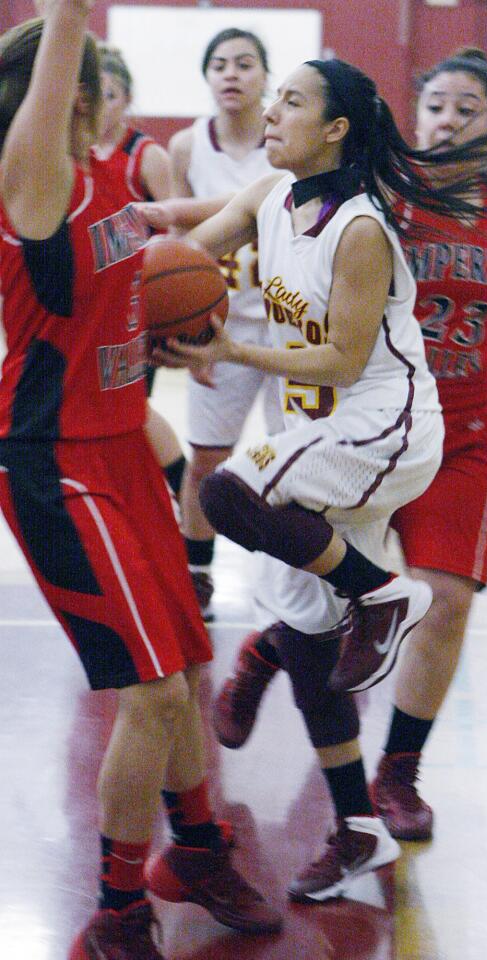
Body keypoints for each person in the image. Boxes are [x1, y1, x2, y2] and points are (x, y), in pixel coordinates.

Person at [151, 56, 487, 898]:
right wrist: (128, 254)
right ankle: (360, 829)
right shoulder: (265, 197)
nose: (273, 110)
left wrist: (224, 349)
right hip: (316, 432)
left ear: (335, 129)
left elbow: (341, 355)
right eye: (274, 96)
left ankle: (384, 594)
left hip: (384, 426)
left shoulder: (361, 225)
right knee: (304, 637)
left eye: (292, 99)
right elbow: (182, 251)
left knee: (224, 493)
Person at [210, 48, 487, 855]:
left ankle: (400, 773)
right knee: (328, 596)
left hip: (462, 434)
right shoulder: (372, 195)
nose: (450, 121)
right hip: (358, 420)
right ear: (411, 118)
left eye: (468, 110)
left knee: (445, 600)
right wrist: (181, 227)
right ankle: (268, 651)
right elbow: (262, 201)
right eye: (438, 107)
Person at [0, 9, 282, 960]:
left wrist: (157, 339)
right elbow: (66, 36)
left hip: (121, 440)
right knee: (154, 694)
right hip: (56, 464)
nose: (109, 85)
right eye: (91, 74)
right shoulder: (34, 179)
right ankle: (118, 909)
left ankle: (196, 847)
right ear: (69, 90)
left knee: (191, 663)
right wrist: (71, 20)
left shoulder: (98, 181)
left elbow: (123, 286)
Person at [168, 28, 283, 619]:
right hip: (218, 326)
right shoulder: (188, 148)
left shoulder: (288, 139)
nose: (232, 74)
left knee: (300, 458)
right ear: (207, 77)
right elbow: (180, 250)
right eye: (220, 64)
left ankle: (296, 579)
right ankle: (197, 574)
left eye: (245, 63)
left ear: (267, 75)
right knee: (206, 460)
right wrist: (190, 330)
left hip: (293, 329)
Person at [95, 42, 187, 500]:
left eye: (110, 95)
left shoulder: (145, 154)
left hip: (137, 301)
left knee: (132, 407)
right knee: (108, 409)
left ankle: (182, 487)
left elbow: (174, 228)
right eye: (94, 94)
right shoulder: (75, 151)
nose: (100, 105)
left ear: (127, 99)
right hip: (93, 301)